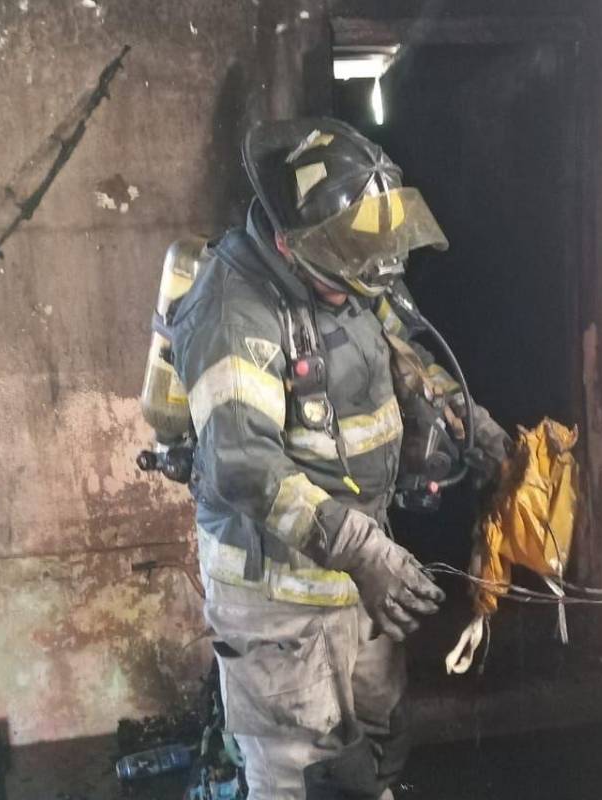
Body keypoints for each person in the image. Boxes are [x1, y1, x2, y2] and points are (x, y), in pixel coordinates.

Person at [169, 117, 509, 799]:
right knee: (311, 781)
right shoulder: (232, 307)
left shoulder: (355, 270)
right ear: (292, 246)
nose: (370, 278)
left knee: (376, 760)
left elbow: (408, 356)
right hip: (280, 609)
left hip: (358, 585)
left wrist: (476, 428)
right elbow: (244, 466)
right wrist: (363, 549)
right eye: (354, 264)